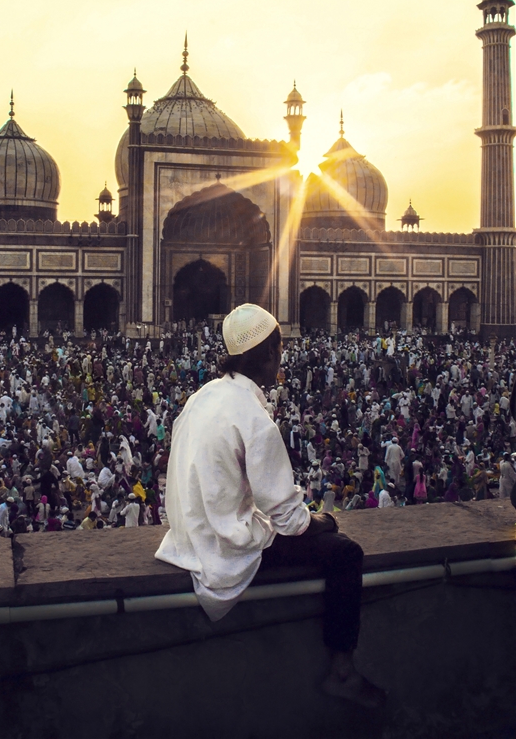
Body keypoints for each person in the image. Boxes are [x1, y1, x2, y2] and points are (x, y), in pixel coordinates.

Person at [155, 303, 384, 709]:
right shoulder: (254, 419)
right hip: (225, 543)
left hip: (187, 534)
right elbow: (291, 521)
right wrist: (323, 521)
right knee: (346, 553)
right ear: (270, 354)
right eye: (280, 351)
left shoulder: (203, 396)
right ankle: (342, 672)